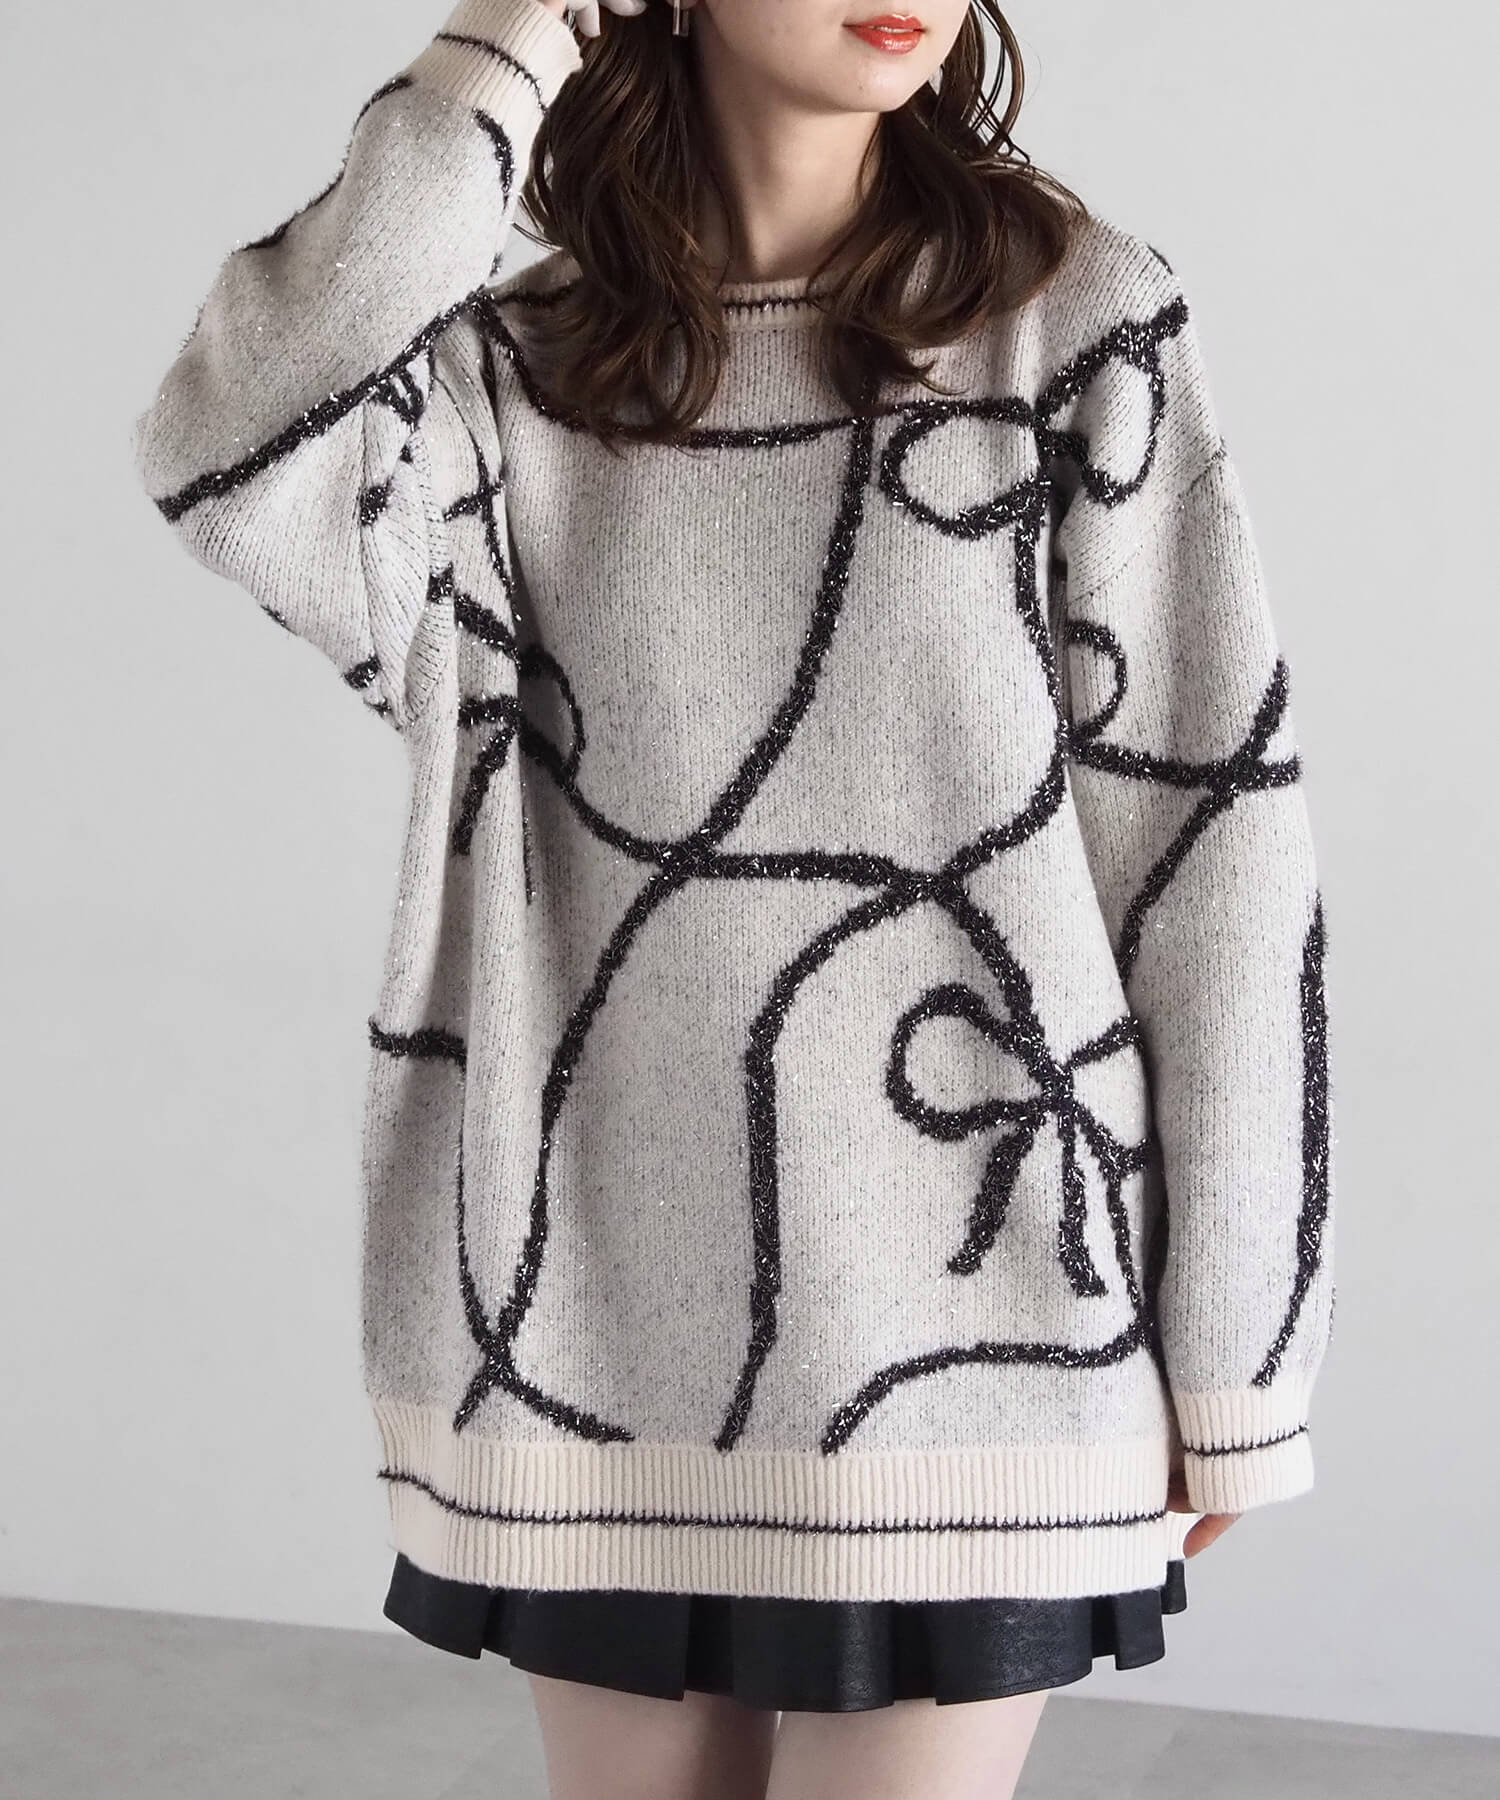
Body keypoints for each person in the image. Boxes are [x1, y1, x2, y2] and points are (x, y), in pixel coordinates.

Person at [131, 1, 1338, 1796]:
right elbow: (227, 442)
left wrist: (1242, 1342)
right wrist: (510, 39)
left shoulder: (1073, 320)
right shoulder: (505, 381)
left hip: (990, 1327)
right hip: (587, 1329)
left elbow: (1212, 842)